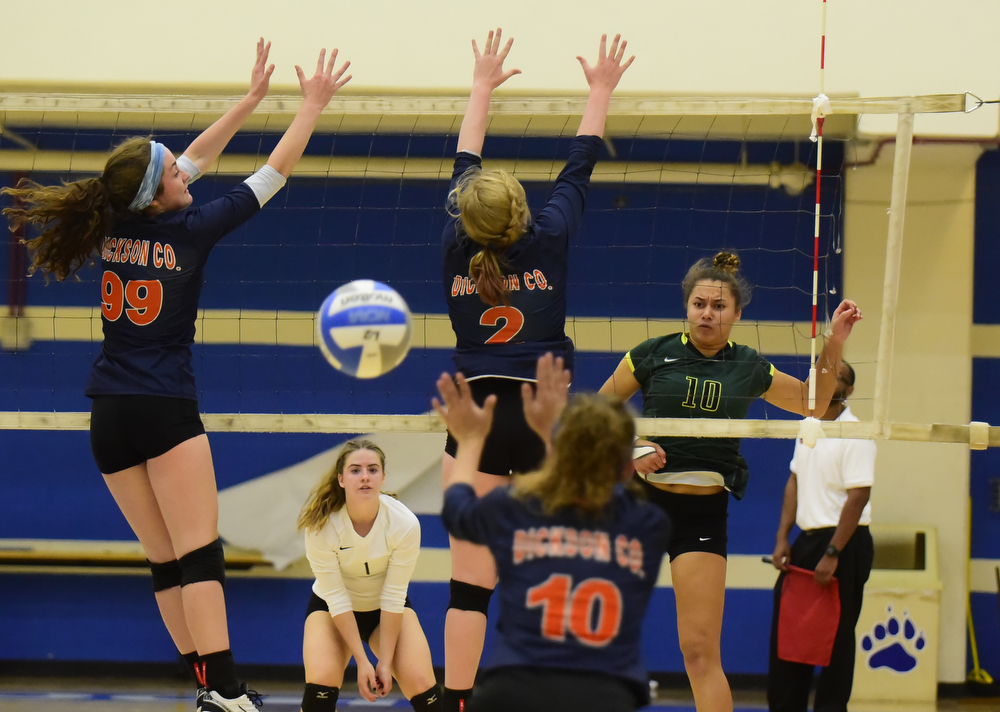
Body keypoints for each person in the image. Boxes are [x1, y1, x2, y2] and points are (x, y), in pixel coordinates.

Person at [1, 40, 352, 712]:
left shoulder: (114, 221)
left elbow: (188, 163)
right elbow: (272, 176)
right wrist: (310, 106)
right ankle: (225, 689)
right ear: (160, 191)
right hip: (163, 409)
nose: (186, 170)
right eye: (174, 171)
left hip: (108, 417)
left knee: (164, 561)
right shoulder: (191, 229)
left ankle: (203, 684)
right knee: (199, 558)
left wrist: (248, 101)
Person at [440, 29, 634, 712]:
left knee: (470, 585)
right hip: (544, 415)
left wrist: (482, 85)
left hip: (474, 420)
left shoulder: (454, 241)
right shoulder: (547, 237)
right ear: (520, 212)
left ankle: (456, 702)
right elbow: (578, 163)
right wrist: (600, 88)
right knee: (562, 564)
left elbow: (466, 159)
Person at [599, 252, 863, 712]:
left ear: (737, 314)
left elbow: (814, 405)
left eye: (718, 307)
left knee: (699, 652)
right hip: (639, 506)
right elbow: (595, 415)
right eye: (699, 303)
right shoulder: (652, 353)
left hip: (700, 514)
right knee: (597, 638)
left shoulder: (748, 365)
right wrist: (631, 448)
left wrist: (834, 342)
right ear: (686, 307)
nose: (707, 313)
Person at [433, 353, 670, 712]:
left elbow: (457, 511)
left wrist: (469, 441)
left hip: (514, 689)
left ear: (558, 450)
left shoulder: (515, 509)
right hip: (606, 694)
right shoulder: (649, 525)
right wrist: (553, 432)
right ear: (625, 469)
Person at [298, 440, 441, 712]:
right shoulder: (322, 526)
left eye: (372, 469)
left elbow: (394, 594)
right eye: (355, 470)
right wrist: (363, 661)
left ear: (383, 477)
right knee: (321, 683)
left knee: (422, 684)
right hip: (331, 609)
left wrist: (385, 662)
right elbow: (337, 598)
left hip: (384, 611)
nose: (364, 476)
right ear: (341, 479)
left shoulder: (404, 523)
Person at [767, 361, 875, 712]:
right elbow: (794, 480)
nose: (828, 383)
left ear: (848, 391)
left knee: (835, 643)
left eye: (837, 379)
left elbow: (858, 496)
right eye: (822, 377)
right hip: (807, 539)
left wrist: (833, 552)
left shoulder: (856, 432)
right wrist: (783, 537)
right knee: (789, 633)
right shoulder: (808, 427)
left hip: (844, 542)